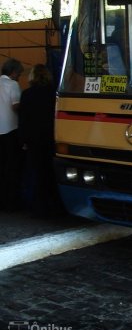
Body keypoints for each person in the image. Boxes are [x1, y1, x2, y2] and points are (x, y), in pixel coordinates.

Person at [19, 64, 63, 217]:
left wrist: (23, 140)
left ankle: (40, 207)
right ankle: (58, 205)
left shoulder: (27, 94)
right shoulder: (54, 94)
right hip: (51, 137)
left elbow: (23, 119)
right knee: (52, 172)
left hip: (34, 139)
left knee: (38, 173)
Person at [0, 58, 24, 211]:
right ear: (14, 72)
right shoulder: (13, 84)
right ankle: (11, 202)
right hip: (11, 130)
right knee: (12, 167)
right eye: (19, 74)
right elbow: (16, 106)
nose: (20, 77)